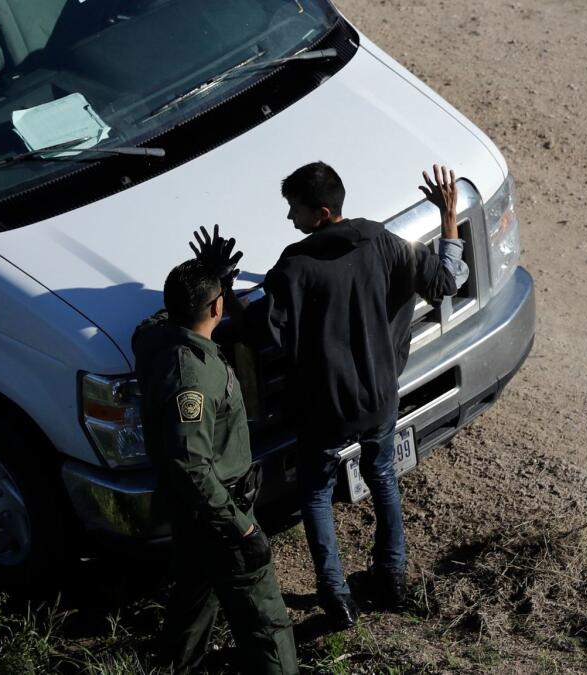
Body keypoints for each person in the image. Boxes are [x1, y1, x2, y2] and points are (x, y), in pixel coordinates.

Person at [197, 162, 468, 631]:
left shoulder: (294, 268)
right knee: (382, 476)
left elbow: (257, 330)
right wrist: (447, 219)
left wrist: (222, 281)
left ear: (321, 212)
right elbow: (445, 284)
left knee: (317, 495)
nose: (290, 220)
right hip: (381, 399)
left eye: (294, 210)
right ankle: (393, 577)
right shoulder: (384, 242)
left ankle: (336, 596)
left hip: (323, 410)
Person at [132, 258, 299, 675]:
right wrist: (241, 527)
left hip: (192, 516)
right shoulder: (192, 377)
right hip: (220, 514)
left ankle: (175, 666)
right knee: (266, 622)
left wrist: (211, 281)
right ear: (216, 309)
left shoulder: (155, 339)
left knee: (193, 597)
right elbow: (191, 465)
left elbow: (148, 327)